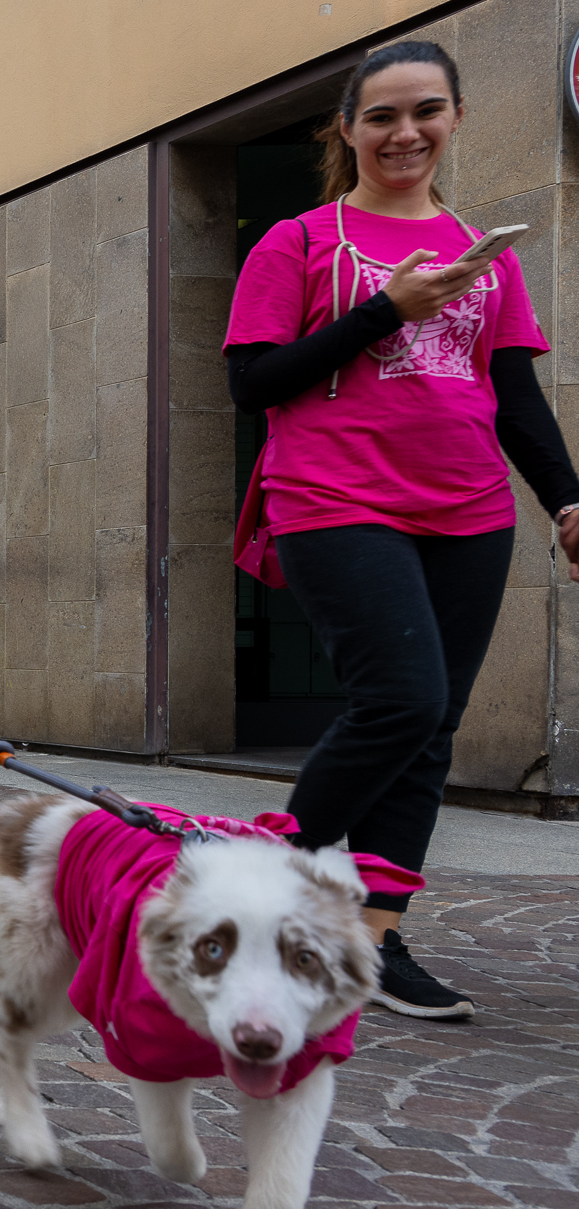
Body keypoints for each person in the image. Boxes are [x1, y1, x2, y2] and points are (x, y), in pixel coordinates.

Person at [224, 41, 579, 1021]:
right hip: (336, 498)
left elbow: (514, 397)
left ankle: (371, 941)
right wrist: (385, 309)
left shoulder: (484, 257)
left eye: (425, 110)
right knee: (400, 698)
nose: (404, 131)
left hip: (470, 509)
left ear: (455, 117)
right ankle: (260, 895)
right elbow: (253, 383)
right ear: (347, 129)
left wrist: (568, 499)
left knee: (431, 733)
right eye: (381, 115)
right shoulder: (295, 242)